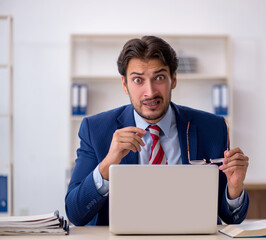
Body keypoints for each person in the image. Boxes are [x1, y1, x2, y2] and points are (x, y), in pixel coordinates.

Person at [65, 35, 249, 226]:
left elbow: (231, 217)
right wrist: (108, 164)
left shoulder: (212, 128)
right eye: (138, 80)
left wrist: (234, 189)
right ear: (124, 84)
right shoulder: (95, 130)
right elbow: (76, 214)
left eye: (159, 77)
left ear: (174, 79)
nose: (150, 92)